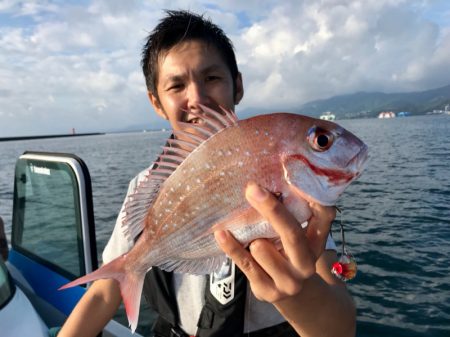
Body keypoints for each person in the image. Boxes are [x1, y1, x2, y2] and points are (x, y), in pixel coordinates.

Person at [59, 10, 356, 337]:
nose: (197, 99)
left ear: (238, 86)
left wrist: (300, 294)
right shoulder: (146, 187)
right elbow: (104, 292)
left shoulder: (302, 194)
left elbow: (339, 329)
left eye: (211, 78)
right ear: (156, 102)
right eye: (176, 85)